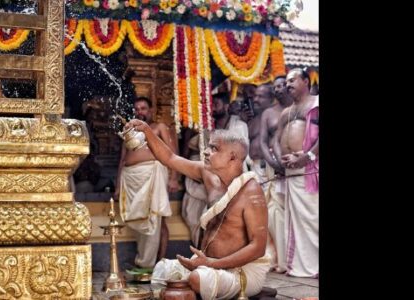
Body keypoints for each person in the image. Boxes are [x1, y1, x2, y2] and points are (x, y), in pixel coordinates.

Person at [125, 118, 273, 299]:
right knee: (163, 270)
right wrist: (147, 131)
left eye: (214, 149)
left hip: (240, 272)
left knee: (197, 279)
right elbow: (170, 158)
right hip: (209, 266)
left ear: (233, 157)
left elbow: (258, 247)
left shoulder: (251, 191)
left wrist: (212, 264)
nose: (206, 152)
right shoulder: (208, 174)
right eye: (209, 147)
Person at [115, 97, 179, 268]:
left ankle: (153, 263)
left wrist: (174, 178)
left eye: (143, 108)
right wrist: (117, 184)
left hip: (153, 174)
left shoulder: (159, 128)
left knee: (155, 219)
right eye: (137, 108)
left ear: (151, 110)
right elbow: (123, 159)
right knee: (141, 220)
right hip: (131, 178)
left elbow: (173, 154)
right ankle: (147, 260)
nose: (140, 111)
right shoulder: (129, 131)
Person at [274, 68, 319, 278]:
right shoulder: (286, 112)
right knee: (296, 222)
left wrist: (307, 156)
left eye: (292, 80)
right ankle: (303, 267)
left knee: (313, 218)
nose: (288, 85)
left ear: (305, 81)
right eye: (286, 82)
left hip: (310, 169)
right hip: (290, 171)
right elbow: (275, 139)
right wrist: (278, 160)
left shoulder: (316, 104)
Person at [258, 76, 294, 273]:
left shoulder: (299, 108)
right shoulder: (268, 113)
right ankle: (279, 259)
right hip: (274, 166)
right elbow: (264, 142)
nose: (279, 89)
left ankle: (295, 258)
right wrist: (274, 163)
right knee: (274, 213)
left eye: (282, 85)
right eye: (276, 87)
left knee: (295, 212)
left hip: (296, 166)